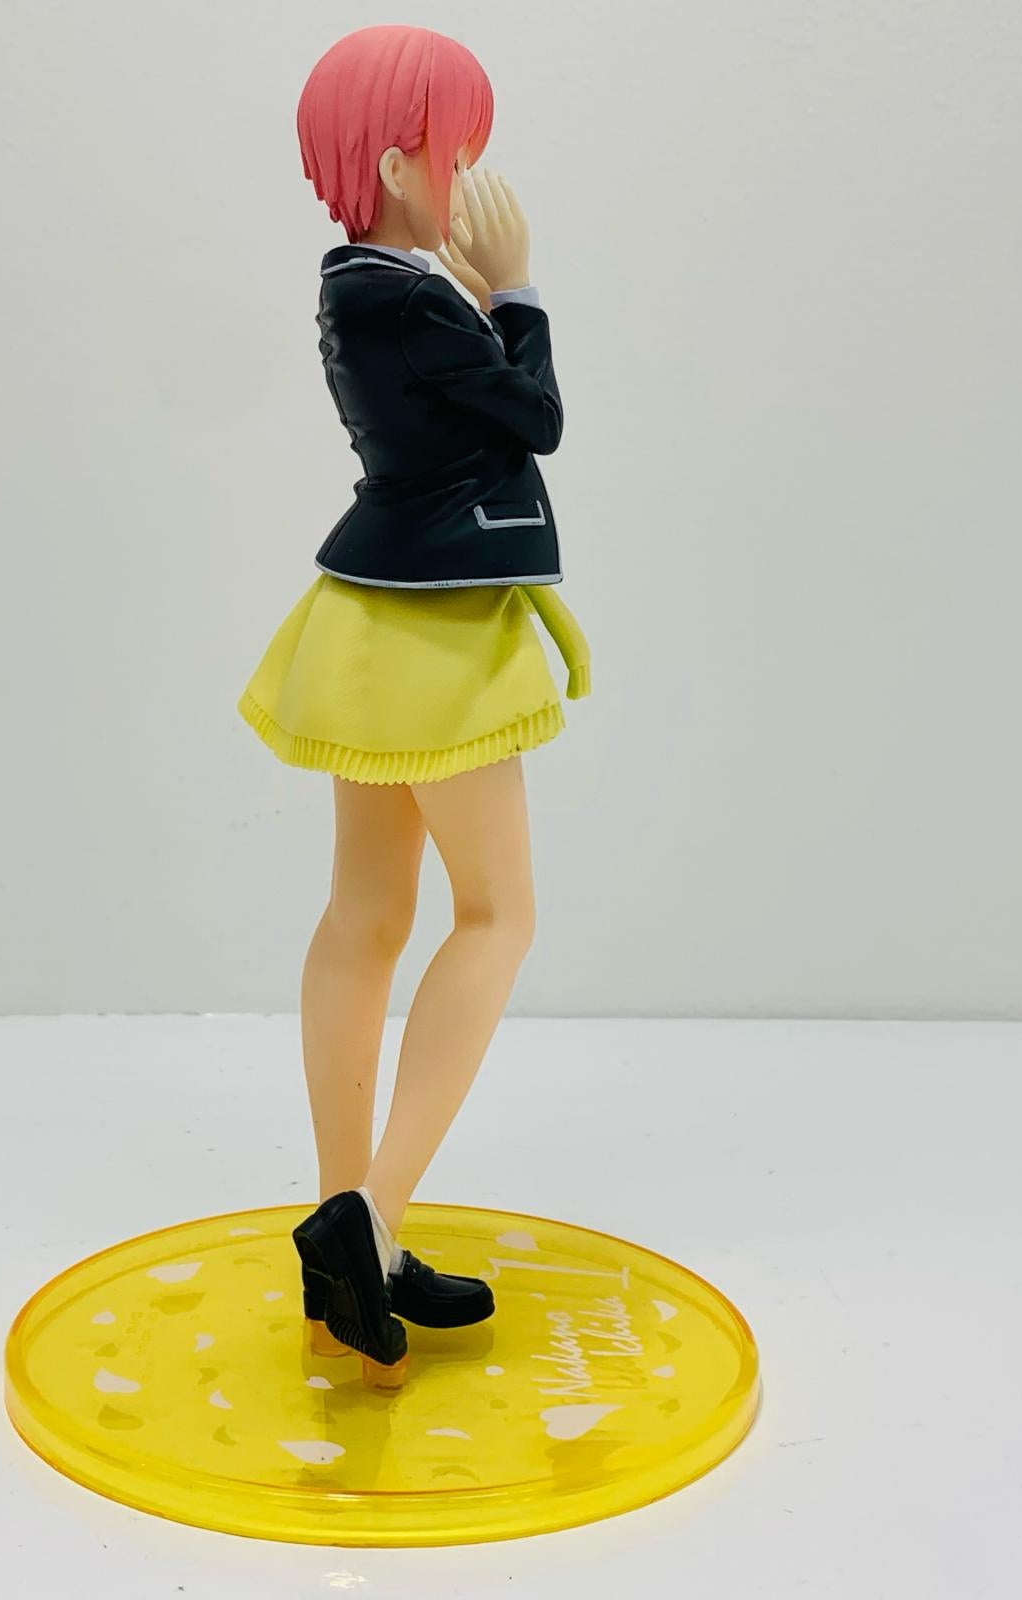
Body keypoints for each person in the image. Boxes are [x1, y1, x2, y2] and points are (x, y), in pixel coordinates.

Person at [238, 24, 592, 1392]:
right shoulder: (421, 303)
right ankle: (367, 1219)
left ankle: (352, 1261)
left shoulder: (365, 288)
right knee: (496, 915)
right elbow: (537, 419)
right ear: (398, 163)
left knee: (368, 918)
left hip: (375, 624)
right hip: (433, 640)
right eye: (459, 152)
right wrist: (520, 290)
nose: (476, 180)